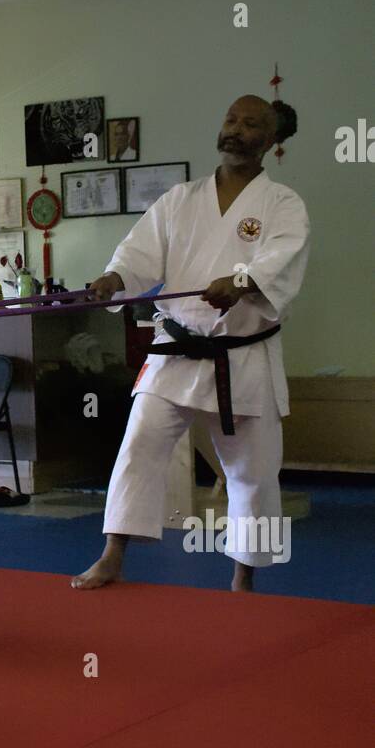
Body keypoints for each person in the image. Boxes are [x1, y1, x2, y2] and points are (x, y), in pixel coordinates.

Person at [72, 96, 309, 593]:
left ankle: (244, 576)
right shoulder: (180, 199)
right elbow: (140, 252)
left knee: (253, 471)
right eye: (230, 120)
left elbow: (281, 257)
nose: (236, 130)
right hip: (177, 349)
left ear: (270, 141)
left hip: (242, 356)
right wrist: (115, 278)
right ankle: (114, 552)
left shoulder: (282, 204)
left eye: (250, 125)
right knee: (138, 445)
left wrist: (242, 280)